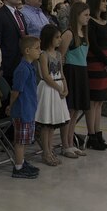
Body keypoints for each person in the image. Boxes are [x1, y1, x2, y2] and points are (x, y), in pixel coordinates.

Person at [7, 35, 42, 179]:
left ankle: (22, 161)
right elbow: (16, 91)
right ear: (27, 50)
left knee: (26, 139)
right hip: (21, 110)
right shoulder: (22, 69)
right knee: (20, 141)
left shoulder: (30, 67)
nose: (40, 51)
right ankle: (18, 167)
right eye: (37, 48)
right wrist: (10, 105)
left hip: (29, 108)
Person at [84, 0, 107, 151]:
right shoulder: (89, 22)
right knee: (92, 102)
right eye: (103, 1)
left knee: (100, 102)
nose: (105, 3)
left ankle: (98, 132)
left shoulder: (106, 22)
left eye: (106, 1)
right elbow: (94, 46)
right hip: (95, 63)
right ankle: (91, 135)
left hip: (106, 63)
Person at [36, 24, 70, 166]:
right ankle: (46, 152)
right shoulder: (43, 55)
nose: (60, 40)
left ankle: (50, 150)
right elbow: (46, 75)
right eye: (57, 37)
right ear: (49, 38)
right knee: (47, 123)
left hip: (58, 88)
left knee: (54, 122)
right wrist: (58, 87)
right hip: (49, 89)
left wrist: (65, 88)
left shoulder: (58, 55)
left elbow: (61, 73)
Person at [59, 2, 90, 157]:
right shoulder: (69, 34)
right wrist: (62, 78)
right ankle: (65, 145)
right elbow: (60, 58)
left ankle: (71, 142)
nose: (88, 18)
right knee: (69, 110)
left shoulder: (84, 33)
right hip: (71, 72)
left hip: (82, 72)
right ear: (77, 15)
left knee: (76, 110)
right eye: (85, 15)